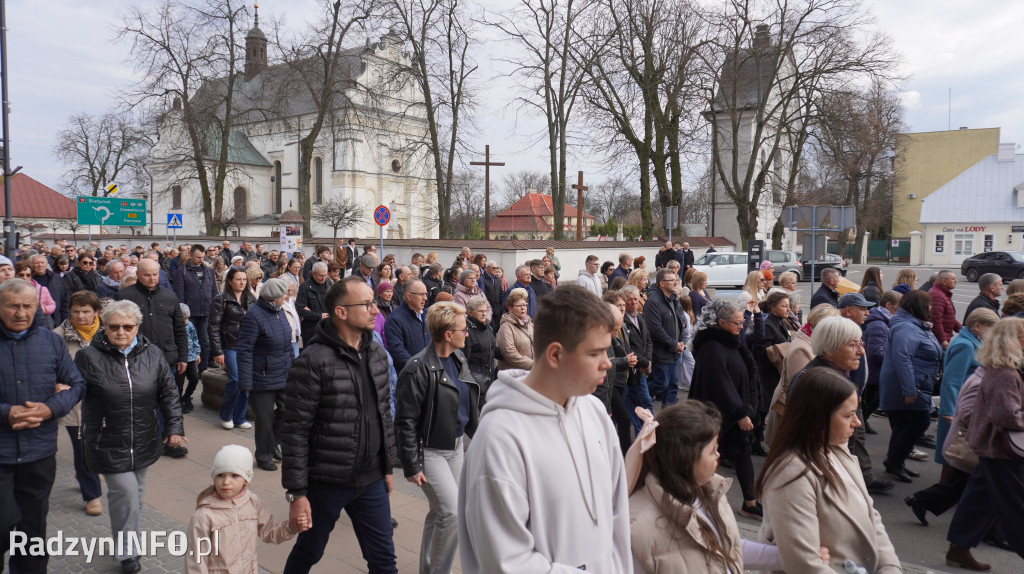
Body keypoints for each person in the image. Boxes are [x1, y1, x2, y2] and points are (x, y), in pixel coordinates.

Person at [458, 285, 630, 572]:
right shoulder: (500, 439)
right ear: (555, 355)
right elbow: (507, 561)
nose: (607, 364)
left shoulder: (594, 412)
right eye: (596, 353)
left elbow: (617, 516)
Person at [280, 277, 398, 573]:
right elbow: (295, 431)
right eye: (367, 304)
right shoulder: (312, 362)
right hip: (327, 482)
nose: (375, 310)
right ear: (341, 312)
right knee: (309, 552)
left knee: (384, 561)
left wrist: (386, 466)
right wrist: (297, 493)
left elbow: (383, 414)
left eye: (374, 302)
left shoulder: (377, 354)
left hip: (371, 480)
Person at [74, 299, 185, 574]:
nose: (121, 332)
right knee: (124, 492)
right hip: (107, 439)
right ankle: (128, 553)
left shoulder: (152, 353)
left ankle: (126, 539)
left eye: (127, 326)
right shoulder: (88, 357)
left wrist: (174, 427)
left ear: (137, 327)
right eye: (114, 327)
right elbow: (73, 390)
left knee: (134, 494)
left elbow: (169, 393)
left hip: (145, 437)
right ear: (105, 327)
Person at [757, 367, 901, 573]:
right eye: (848, 415)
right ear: (819, 418)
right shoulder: (790, 473)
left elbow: (871, 518)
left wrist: (890, 568)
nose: (858, 422)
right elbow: (804, 563)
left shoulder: (839, 452)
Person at [628, 402, 793, 573]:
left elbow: (728, 548)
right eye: (712, 450)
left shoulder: (711, 492)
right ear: (686, 458)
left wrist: (785, 558)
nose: (718, 455)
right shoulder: (639, 526)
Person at [0, 279, 86, 573]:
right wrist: (6, 413)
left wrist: (51, 408)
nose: (20, 312)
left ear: (37, 307)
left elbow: (77, 385)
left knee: (32, 530)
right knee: (3, 523)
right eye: (13, 306)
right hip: (1, 452)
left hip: (39, 451)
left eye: (27, 306)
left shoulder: (51, 341)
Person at [396, 302, 481, 574]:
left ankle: (429, 569)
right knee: (452, 514)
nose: (466, 334)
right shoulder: (417, 368)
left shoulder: (458, 358)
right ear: (447, 334)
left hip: (454, 447)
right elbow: (405, 420)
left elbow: (467, 404)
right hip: (428, 452)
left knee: (440, 512)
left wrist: (481, 438)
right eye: (462, 329)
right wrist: (411, 464)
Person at [906, 308, 998, 530]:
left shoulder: (969, 343)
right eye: (990, 328)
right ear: (977, 326)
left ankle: (931, 500)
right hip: (958, 412)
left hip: (962, 411)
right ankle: (932, 500)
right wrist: (948, 410)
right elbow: (951, 381)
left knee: (957, 463)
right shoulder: (965, 346)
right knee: (957, 460)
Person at [945, 317, 1024, 569]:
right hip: (1001, 449)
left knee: (979, 500)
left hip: (992, 446)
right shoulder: (1005, 372)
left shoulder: (1001, 368)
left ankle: (958, 550)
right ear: (1013, 341)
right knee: (1017, 506)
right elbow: (1006, 415)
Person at [689, 299, 761, 519]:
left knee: (742, 455)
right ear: (720, 322)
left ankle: (750, 503)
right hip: (718, 415)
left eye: (742, 323)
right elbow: (720, 382)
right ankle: (699, 503)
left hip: (736, 409)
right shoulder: (710, 346)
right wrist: (739, 412)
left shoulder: (732, 340)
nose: (741, 328)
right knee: (709, 459)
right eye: (737, 324)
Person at [186, 444, 303, 573]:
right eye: (220, 475)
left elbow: (269, 531)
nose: (226, 482)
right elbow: (196, 559)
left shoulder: (253, 503)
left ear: (246, 480)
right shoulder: (204, 516)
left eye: (234, 475)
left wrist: (292, 526)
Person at [880, 289, 943, 483]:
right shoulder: (907, 327)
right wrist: (909, 389)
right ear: (919, 307)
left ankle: (894, 461)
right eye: (929, 305)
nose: (931, 308)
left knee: (903, 424)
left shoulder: (915, 325)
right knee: (919, 421)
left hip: (915, 383)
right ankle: (895, 461)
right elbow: (902, 358)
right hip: (909, 386)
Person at [236, 278, 295, 472]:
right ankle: (264, 455)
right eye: (283, 294)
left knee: (288, 412)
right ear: (274, 297)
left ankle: (274, 444)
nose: (286, 297)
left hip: (283, 373)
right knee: (265, 418)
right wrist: (245, 381)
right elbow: (244, 350)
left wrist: (293, 369)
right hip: (261, 376)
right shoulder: (254, 316)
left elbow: (287, 344)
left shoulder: (280, 312)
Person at [54, 290, 104, 516]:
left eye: (86, 311)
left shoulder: (108, 332)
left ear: (96, 312)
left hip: (105, 401)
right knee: (83, 447)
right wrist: (55, 384)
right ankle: (92, 494)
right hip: (76, 402)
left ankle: (84, 473)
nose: (80, 316)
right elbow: (48, 367)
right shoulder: (57, 336)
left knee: (98, 447)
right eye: (76, 311)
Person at [210, 267, 255, 425]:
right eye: (238, 279)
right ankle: (226, 415)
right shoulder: (220, 299)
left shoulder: (250, 298)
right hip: (229, 345)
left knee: (246, 383)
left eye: (244, 279)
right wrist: (217, 351)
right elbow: (214, 326)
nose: (242, 282)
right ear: (230, 281)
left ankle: (239, 417)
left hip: (247, 346)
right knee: (235, 380)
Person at [751, 291, 792, 455]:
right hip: (766, 374)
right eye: (784, 306)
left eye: (788, 306)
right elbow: (763, 351)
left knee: (766, 408)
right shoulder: (769, 325)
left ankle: (758, 437)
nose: (788, 309)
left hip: (775, 373)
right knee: (762, 408)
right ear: (773, 308)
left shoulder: (781, 323)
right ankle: (754, 442)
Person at [645, 268, 687, 408]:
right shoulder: (653, 301)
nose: (676, 282)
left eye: (676, 279)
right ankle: (635, 398)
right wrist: (673, 344)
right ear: (662, 283)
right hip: (661, 351)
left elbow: (680, 321)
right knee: (660, 383)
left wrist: (680, 343)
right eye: (672, 280)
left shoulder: (674, 299)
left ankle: (670, 420)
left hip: (674, 351)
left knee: (672, 386)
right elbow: (655, 329)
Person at [173, 244, 219, 375]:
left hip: (206, 311)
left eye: (202, 257)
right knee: (189, 342)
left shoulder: (209, 271)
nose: (200, 259)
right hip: (190, 313)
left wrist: (216, 307)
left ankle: (202, 370)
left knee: (205, 341)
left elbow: (214, 291)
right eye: (198, 257)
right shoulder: (182, 271)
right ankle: (189, 369)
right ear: (191, 255)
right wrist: (182, 313)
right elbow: (179, 294)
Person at [863, 290, 903, 428]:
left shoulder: (884, 321)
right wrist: (895, 356)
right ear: (888, 305)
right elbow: (876, 352)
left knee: (873, 400)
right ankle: (861, 425)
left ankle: (863, 422)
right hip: (875, 373)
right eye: (898, 307)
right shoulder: (879, 324)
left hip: (877, 372)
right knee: (872, 400)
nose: (899, 311)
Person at [621, 285, 654, 434]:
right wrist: (644, 363)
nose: (634, 302)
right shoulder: (622, 321)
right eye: (629, 300)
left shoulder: (640, 317)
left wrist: (647, 361)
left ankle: (645, 433)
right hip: (629, 371)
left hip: (640, 370)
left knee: (645, 404)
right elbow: (628, 348)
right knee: (629, 407)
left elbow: (648, 340)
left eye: (636, 299)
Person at [385, 279, 431, 373]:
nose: (425, 298)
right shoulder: (395, 319)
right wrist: (419, 369)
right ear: (409, 296)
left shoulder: (427, 315)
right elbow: (397, 351)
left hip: (429, 372)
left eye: (425, 294)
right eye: (421, 294)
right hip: (410, 376)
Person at [496, 287, 535, 371]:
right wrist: (532, 365)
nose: (523, 308)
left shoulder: (530, 324)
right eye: (519, 306)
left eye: (525, 305)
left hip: (530, 373)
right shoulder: (506, 327)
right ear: (510, 308)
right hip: (513, 374)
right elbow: (509, 353)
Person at [463, 295, 496, 389]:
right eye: (480, 311)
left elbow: (492, 347)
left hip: (489, 375)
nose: (484, 314)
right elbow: (464, 359)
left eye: (485, 311)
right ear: (470, 313)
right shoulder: (466, 332)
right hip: (476, 379)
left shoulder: (486, 326)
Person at [296, 261, 331, 347]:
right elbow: (300, 308)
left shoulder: (329, 285)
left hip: (327, 329)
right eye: (320, 276)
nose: (323, 278)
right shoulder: (304, 287)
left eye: (325, 275)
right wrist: (319, 316)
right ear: (313, 274)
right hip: (311, 331)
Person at [177, 303, 202, 415]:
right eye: (183, 318)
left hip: (191, 357)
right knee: (179, 382)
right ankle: (177, 402)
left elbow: (195, 338)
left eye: (187, 318)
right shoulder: (175, 326)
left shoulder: (190, 325)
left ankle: (186, 397)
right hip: (180, 359)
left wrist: (197, 353)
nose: (186, 320)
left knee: (194, 378)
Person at [930, 270, 961, 348]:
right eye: (953, 279)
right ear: (944, 282)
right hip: (939, 342)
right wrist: (942, 340)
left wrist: (962, 330)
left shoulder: (942, 293)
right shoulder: (937, 296)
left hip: (943, 339)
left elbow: (949, 317)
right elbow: (935, 320)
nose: (956, 281)